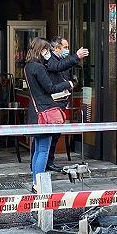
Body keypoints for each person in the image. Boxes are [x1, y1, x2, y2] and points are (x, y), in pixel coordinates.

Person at [25, 37, 73, 191]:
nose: (48, 53)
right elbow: (50, 88)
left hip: (35, 112)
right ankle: (38, 184)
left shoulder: (28, 66)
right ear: (41, 50)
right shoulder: (39, 68)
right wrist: (68, 84)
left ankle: (35, 181)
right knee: (43, 150)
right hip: (45, 112)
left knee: (38, 149)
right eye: (46, 50)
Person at [43, 36, 89, 172]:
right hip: (53, 102)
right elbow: (57, 67)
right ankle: (45, 162)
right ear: (57, 48)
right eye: (65, 47)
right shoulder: (50, 59)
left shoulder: (61, 60)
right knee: (48, 135)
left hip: (61, 101)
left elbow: (64, 70)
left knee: (55, 134)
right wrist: (76, 56)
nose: (67, 50)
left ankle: (48, 161)